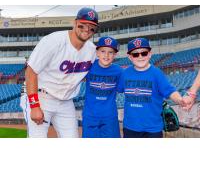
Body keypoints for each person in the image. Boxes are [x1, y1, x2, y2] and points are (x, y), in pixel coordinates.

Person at [20, 7, 99, 138]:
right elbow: (31, 72)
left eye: (92, 27)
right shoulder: (53, 41)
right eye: (82, 25)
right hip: (42, 97)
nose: (87, 29)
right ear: (75, 23)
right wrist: (34, 106)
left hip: (66, 101)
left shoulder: (92, 51)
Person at [118, 38, 188, 138]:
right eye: (135, 54)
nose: (140, 57)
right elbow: (117, 89)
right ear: (130, 57)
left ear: (150, 54)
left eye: (144, 53)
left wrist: (180, 100)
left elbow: (170, 90)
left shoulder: (156, 73)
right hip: (130, 127)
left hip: (153, 128)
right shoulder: (125, 73)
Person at [82, 36, 123, 138]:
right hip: (90, 115)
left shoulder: (119, 71)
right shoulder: (88, 66)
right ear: (97, 53)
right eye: (103, 51)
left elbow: (121, 88)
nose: (106, 55)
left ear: (115, 55)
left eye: (110, 52)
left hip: (110, 116)